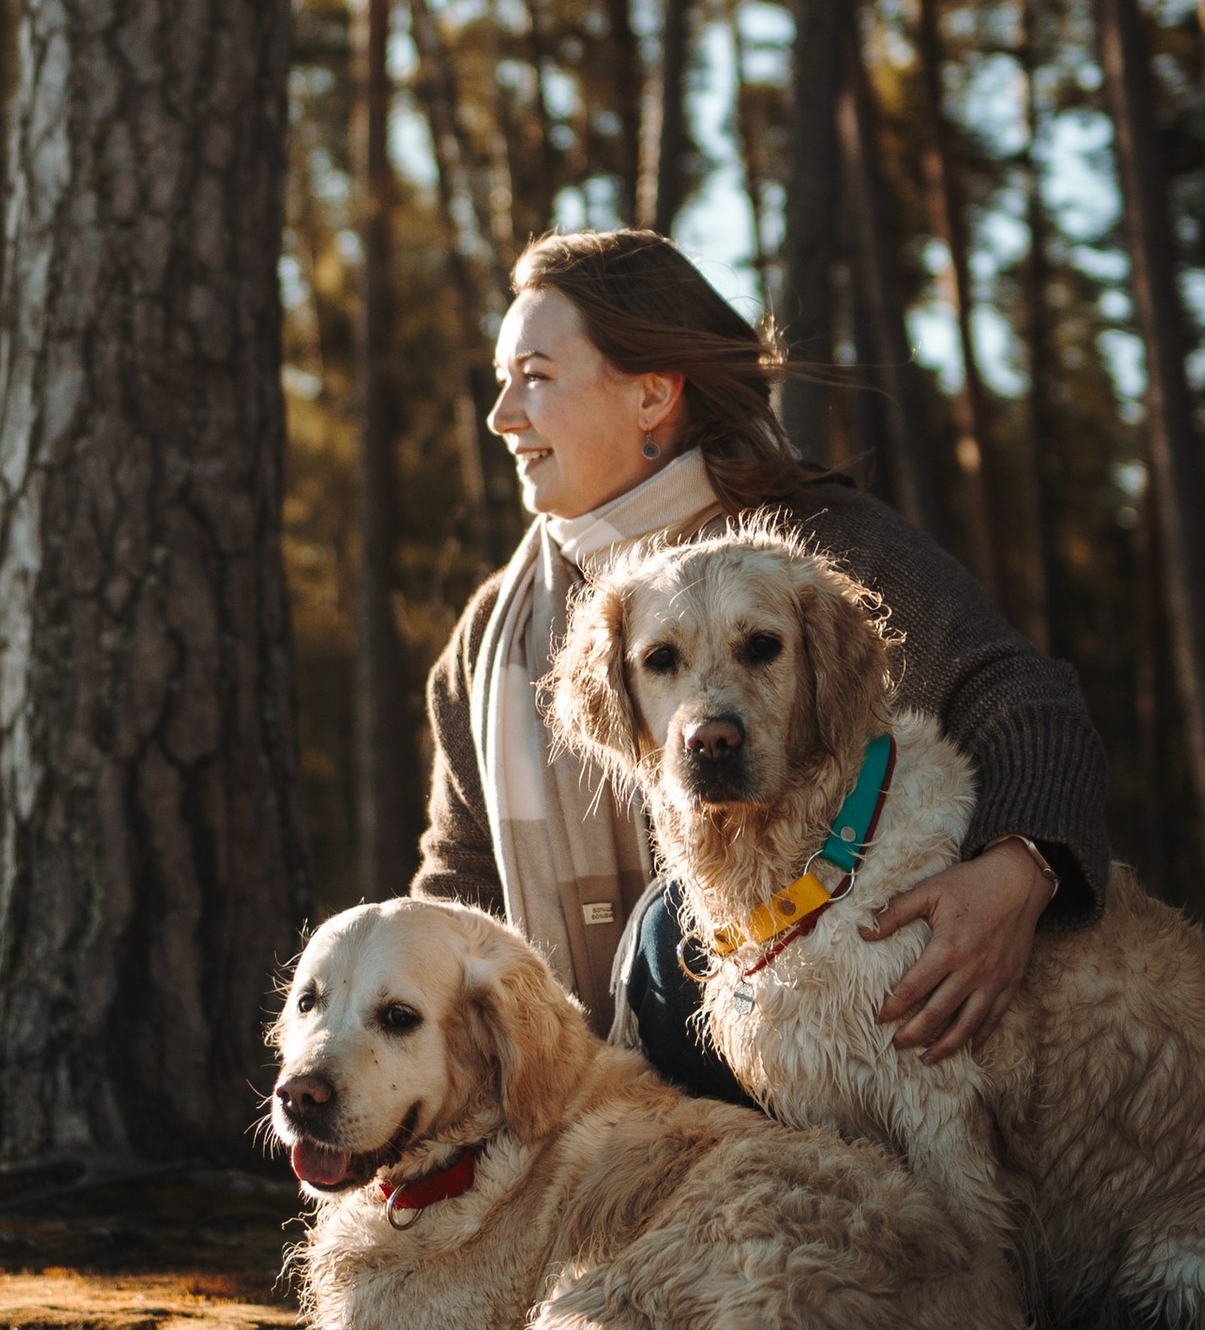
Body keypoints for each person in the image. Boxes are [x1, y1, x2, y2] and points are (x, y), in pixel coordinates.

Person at [410, 229, 1108, 1101]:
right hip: (589, 1106)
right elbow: (462, 880)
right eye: (503, 378)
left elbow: (1018, 696)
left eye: (536, 377)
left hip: (857, 1047)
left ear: (654, 393)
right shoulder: (491, 641)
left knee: (668, 936)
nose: (501, 413)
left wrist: (1019, 871)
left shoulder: (815, 550)